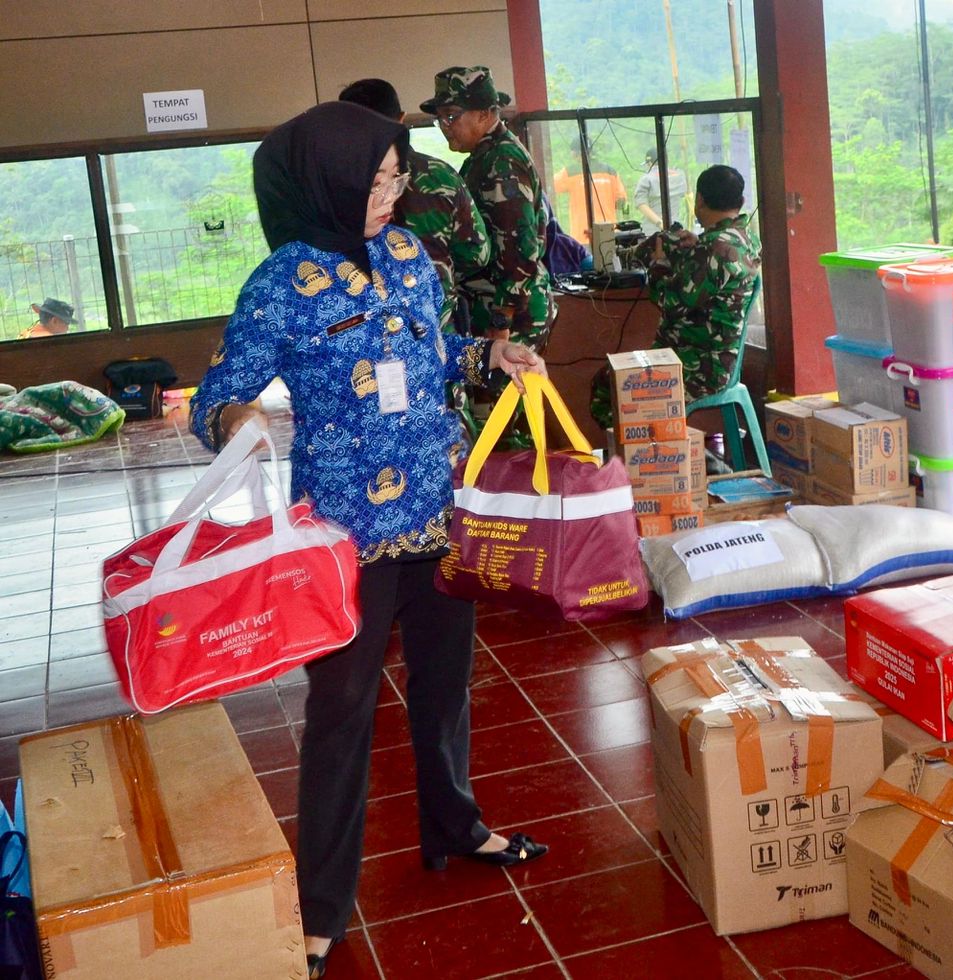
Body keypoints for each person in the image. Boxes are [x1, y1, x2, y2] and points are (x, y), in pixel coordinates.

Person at [187, 101, 549, 980]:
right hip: (345, 534)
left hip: (437, 509)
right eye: (379, 179)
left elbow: (435, 353)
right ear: (332, 182)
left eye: (398, 175)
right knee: (344, 714)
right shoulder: (281, 283)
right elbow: (214, 399)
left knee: (446, 684)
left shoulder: (409, 257)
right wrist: (238, 416)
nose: (393, 191)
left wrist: (488, 356)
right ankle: (319, 907)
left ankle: (455, 824)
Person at [590, 165, 761, 428]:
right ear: (741, 201)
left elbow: (670, 303)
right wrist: (698, 246)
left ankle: (645, 457)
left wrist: (658, 264)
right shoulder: (745, 238)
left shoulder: (714, 249)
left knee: (608, 383)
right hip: (717, 359)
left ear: (700, 200)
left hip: (699, 367)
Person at [338, 78, 490, 335]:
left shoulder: (332, 184)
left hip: (368, 335)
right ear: (401, 119)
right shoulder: (442, 176)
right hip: (437, 329)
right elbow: (477, 253)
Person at [422, 66, 555, 349]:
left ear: (484, 113)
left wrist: (501, 321)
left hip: (511, 315)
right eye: (440, 120)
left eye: (451, 116)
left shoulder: (501, 162)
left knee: (510, 392)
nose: (445, 127)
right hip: (493, 306)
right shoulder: (482, 157)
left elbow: (519, 247)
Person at [551, 137, 627, 244]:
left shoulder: (570, 172)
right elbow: (621, 202)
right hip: (609, 233)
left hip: (582, 234)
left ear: (574, 153)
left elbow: (548, 186)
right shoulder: (611, 171)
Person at [633, 147, 689, 235]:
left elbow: (642, 205)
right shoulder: (680, 176)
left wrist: (660, 223)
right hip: (676, 228)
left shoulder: (646, 179)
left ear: (650, 163)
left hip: (652, 231)